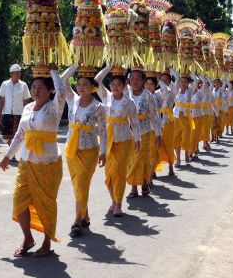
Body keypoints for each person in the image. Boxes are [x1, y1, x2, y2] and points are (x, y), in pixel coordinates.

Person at [0, 69, 67, 258]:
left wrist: (52, 70)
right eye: (34, 87)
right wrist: (7, 155)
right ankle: (28, 238)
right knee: (19, 201)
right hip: (26, 162)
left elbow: (61, 90)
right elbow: (20, 135)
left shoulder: (54, 107)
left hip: (48, 163)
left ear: (50, 91)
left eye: (41, 88)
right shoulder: (28, 109)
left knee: (46, 203)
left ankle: (46, 242)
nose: (36, 91)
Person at [61, 63, 107, 237]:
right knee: (77, 184)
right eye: (78, 84)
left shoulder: (98, 107)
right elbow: (62, 79)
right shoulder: (72, 99)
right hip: (71, 149)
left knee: (82, 183)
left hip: (89, 150)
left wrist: (103, 151)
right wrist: (76, 65)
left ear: (92, 87)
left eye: (85, 84)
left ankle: (77, 221)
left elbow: (103, 131)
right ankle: (85, 215)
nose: (81, 88)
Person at [96, 66, 141, 217]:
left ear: (124, 86)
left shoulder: (129, 103)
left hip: (124, 140)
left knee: (120, 172)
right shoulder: (105, 96)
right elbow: (97, 79)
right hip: (107, 139)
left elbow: (134, 123)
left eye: (119, 84)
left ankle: (119, 203)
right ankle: (113, 200)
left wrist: (138, 139)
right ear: (110, 86)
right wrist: (110, 66)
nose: (115, 87)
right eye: (113, 84)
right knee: (109, 172)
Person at [127, 69, 162, 198]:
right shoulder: (126, 93)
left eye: (138, 79)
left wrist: (158, 134)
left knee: (142, 160)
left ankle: (143, 183)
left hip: (145, 132)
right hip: (128, 133)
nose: (135, 81)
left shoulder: (148, 95)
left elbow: (154, 115)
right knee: (131, 160)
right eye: (132, 78)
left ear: (142, 81)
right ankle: (134, 186)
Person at [0, 64, 31, 146]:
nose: (18, 74)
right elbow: (2, 100)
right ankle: (11, 154)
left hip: (19, 114)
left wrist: (28, 114)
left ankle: (12, 155)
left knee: (17, 136)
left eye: (19, 73)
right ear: (11, 74)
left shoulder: (24, 85)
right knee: (6, 135)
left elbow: (26, 101)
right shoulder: (5, 84)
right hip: (7, 113)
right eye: (16, 73)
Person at [172, 68, 198, 165]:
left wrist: (191, 72)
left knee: (186, 137)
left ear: (188, 83)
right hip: (176, 117)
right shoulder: (176, 90)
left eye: (185, 82)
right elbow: (176, 78)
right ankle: (178, 159)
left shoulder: (190, 91)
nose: (183, 83)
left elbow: (196, 81)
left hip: (186, 117)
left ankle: (186, 154)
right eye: (181, 82)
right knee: (176, 138)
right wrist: (171, 69)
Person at [156, 70, 177, 176]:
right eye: (162, 80)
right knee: (157, 146)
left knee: (169, 145)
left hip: (168, 121)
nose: (163, 82)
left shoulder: (172, 92)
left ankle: (170, 166)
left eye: (166, 81)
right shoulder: (155, 93)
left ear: (170, 82)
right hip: (158, 122)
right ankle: (153, 168)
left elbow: (177, 78)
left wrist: (171, 69)